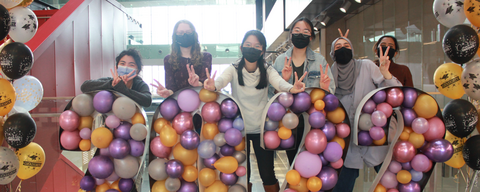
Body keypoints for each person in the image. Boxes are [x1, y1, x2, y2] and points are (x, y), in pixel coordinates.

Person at [203, 30, 307, 192]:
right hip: (239, 129)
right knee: (244, 173)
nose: (252, 48)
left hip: (262, 128)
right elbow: (221, 80)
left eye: (257, 46)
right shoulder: (233, 68)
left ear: (262, 50)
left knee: (267, 173)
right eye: (248, 45)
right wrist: (213, 85)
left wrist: (292, 88)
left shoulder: (267, 69)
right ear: (241, 47)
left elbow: (279, 83)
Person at [329, 36, 402, 192]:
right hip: (346, 144)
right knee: (342, 187)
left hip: (374, 135)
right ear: (332, 53)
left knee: (392, 183)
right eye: (338, 46)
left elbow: (396, 93)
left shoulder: (367, 66)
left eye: (346, 45)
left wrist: (385, 73)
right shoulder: (330, 74)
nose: (343, 48)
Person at [269, 17, 335, 165]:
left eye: (305, 32)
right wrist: (284, 82)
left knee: (312, 162)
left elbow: (331, 91)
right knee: (293, 164)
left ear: (311, 36)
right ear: (291, 34)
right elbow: (271, 94)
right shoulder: (280, 60)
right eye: (297, 31)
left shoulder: (319, 60)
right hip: (288, 121)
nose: (300, 34)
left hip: (313, 121)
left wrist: (325, 90)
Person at [151, 20, 212, 98]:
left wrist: (197, 84)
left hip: (201, 102)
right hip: (178, 104)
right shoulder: (169, 60)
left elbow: (206, 84)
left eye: (188, 32)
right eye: (180, 33)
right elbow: (171, 87)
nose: (185, 35)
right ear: (175, 36)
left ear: (194, 35)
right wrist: (167, 92)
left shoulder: (206, 57)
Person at [81, 49, 152, 107]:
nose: (126, 68)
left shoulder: (140, 85)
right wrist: (112, 85)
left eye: (131, 65)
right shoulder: (109, 81)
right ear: (117, 67)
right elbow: (84, 87)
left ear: (138, 70)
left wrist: (123, 89)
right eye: (122, 64)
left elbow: (147, 101)